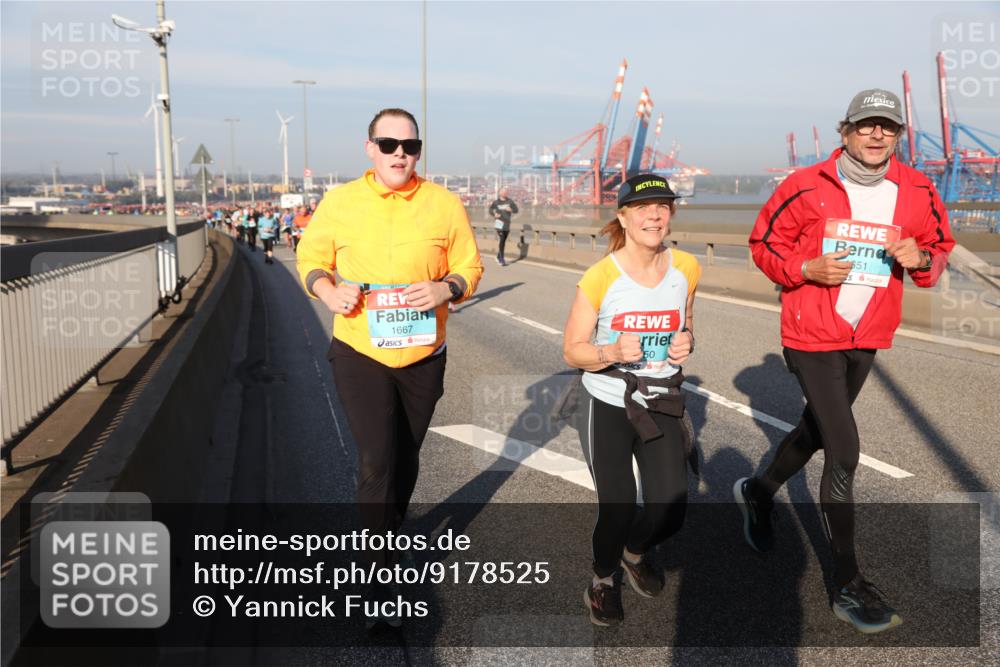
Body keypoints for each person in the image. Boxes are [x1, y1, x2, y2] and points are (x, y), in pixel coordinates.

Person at [739, 89, 955, 634]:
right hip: (811, 333)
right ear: (846, 132)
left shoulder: (918, 189)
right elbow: (763, 242)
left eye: (887, 126)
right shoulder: (805, 185)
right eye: (866, 126)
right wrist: (804, 268)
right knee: (846, 448)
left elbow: (938, 252)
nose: (877, 135)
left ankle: (758, 494)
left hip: (868, 333)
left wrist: (921, 257)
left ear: (898, 136)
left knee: (816, 429)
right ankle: (847, 582)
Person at [296, 107, 483, 626]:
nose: (400, 153)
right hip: (361, 349)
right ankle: (378, 576)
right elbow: (310, 256)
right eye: (389, 144)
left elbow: (470, 264)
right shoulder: (341, 202)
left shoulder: (443, 204)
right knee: (377, 458)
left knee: (405, 455)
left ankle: (388, 528)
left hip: (424, 354)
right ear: (369, 148)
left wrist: (447, 287)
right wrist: (328, 289)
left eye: (410, 146)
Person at [562, 174, 699, 627]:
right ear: (623, 216)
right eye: (642, 208)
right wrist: (610, 353)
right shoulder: (602, 276)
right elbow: (572, 349)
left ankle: (633, 553)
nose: (654, 215)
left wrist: (686, 342)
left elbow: (687, 323)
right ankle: (601, 581)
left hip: (661, 401)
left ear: (671, 215)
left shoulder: (687, 269)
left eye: (662, 206)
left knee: (672, 509)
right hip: (607, 403)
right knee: (618, 507)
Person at [488, 187, 519, 266]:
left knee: (503, 241)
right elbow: (490, 210)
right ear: (499, 193)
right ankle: (502, 259)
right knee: (502, 239)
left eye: (506, 192)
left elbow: (516, 210)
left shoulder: (510, 201)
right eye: (503, 192)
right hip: (499, 223)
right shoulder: (496, 202)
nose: (505, 193)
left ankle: (498, 256)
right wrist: (494, 214)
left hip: (507, 223)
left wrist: (511, 210)